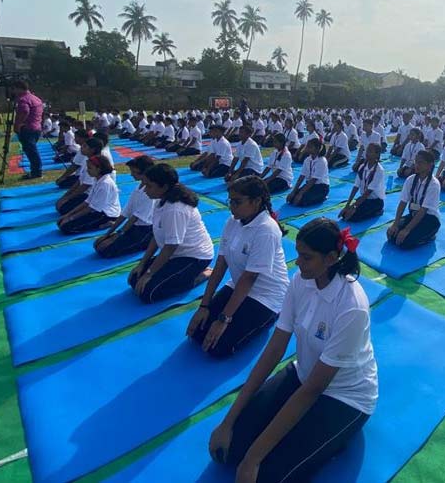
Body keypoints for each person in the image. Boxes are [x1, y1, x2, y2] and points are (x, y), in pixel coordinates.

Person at [208, 218, 376, 482]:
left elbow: (314, 389)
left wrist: (254, 459)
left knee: (263, 475)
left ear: (331, 258)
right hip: (303, 375)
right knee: (227, 450)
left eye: (306, 257)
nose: (298, 262)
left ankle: (336, 435)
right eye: (298, 254)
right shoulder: (300, 281)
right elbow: (274, 348)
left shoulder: (351, 306)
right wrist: (228, 421)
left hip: (343, 396)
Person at [187, 175, 290, 357]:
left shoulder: (266, 230)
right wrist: (204, 306)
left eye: (237, 202)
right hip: (239, 285)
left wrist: (223, 319)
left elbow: (250, 278)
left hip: (265, 296)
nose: (231, 206)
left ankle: (272, 315)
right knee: (197, 332)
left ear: (256, 201)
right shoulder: (232, 222)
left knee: (217, 348)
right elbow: (220, 265)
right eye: (230, 201)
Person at [128, 164, 215, 303]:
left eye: (149, 186)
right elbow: (156, 236)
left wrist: (149, 273)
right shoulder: (161, 201)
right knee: (134, 278)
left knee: (148, 293)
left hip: (194, 257)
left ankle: (199, 275)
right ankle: (182, 275)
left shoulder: (175, 209)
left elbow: (170, 246)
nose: (144, 190)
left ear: (164, 187)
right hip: (176, 254)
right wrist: (142, 263)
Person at [94, 156, 156, 258]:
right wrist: (108, 233)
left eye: (135, 172)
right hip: (134, 227)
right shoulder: (138, 187)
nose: (131, 174)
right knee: (97, 244)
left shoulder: (150, 193)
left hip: (145, 230)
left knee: (104, 250)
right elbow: (126, 212)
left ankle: (146, 242)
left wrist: (117, 235)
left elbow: (135, 217)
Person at [388, 150, 441, 249]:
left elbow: (423, 210)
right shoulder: (410, 179)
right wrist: (395, 223)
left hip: (429, 219)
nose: (416, 165)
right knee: (390, 234)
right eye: (416, 162)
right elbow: (403, 202)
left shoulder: (434, 184)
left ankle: (430, 236)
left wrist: (407, 230)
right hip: (414, 215)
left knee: (405, 242)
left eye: (420, 162)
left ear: (429, 166)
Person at [57, 156, 121, 235]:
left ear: (99, 169)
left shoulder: (105, 184)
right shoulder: (97, 179)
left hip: (106, 214)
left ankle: (109, 222)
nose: (87, 170)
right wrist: (68, 215)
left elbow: (91, 208)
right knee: (61, 222)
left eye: (90, 168)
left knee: (65, 227)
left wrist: (71, 218)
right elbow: (87, 202)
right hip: (96, 209)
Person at [339, 143, 386, 222]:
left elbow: (368, 192)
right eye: (367, 150)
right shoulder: (362, 167)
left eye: (370, 151)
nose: (367, 153)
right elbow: (356, 186)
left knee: (353, 217)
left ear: (377, 154)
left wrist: (354, 207)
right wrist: (347, 205)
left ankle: (377, 211)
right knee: (345, 214)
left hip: (375, 202)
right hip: (364, 199)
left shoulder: (379, 170)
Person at [10, 80, 44, 179]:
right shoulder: (36, 98)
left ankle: (36, 171)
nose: (13, 92)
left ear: (18, 88)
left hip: (28, 128)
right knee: (32, 150)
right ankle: (36, 170)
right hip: (36, 127)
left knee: (31, 151)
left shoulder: (23, 99)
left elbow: (25, 111)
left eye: (14, 89)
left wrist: (18, 124)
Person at [286, 138, 330, 207]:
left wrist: (300, 193)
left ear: (317, 148)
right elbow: (302, 176)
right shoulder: (307, 159)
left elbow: (313, 180)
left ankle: (323, 196)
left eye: (310, 147)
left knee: (300, 201)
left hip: (321, 187)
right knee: (291, 199)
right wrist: (293, 191)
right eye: (307, 146)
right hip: (310, 185)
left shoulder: (322, 161)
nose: (307, 148)